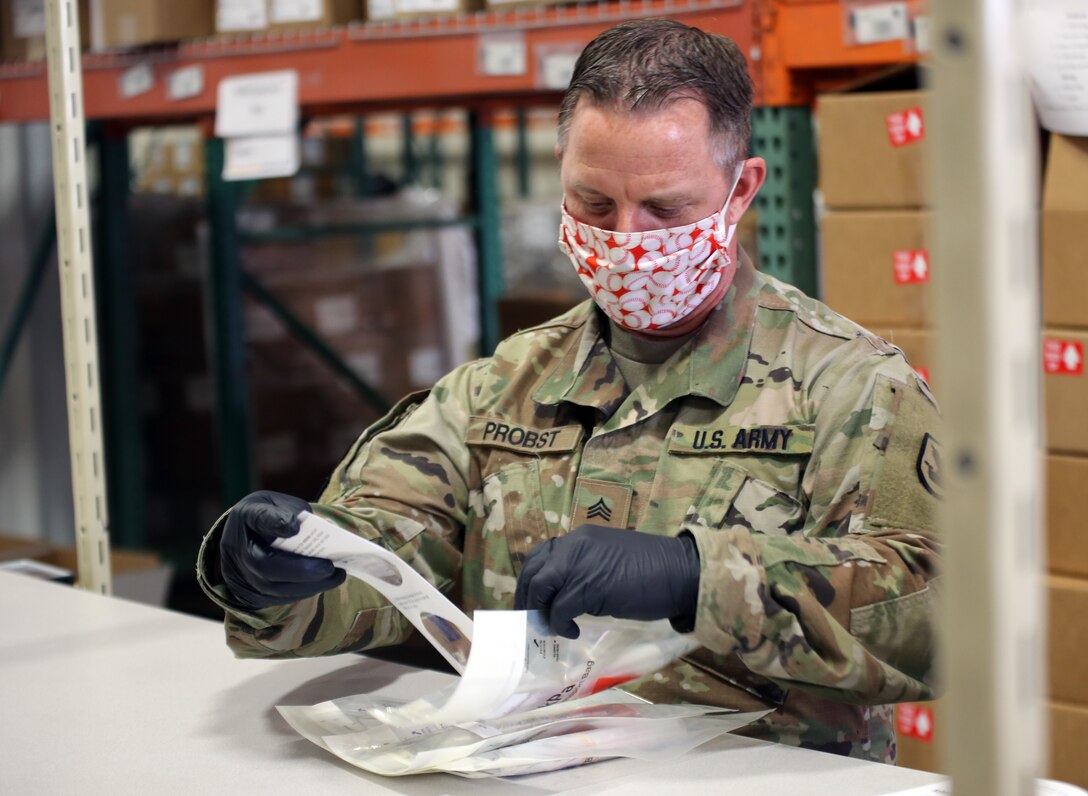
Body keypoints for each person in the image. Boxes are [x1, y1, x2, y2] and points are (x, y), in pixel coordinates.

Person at [197, 18, 942, 764]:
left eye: (665, 210)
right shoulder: (506, 385)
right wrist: (280, 575)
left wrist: (697, 579)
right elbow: (386, 546)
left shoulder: (849, 387)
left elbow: (945, 618)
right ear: (562, 172)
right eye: (593, 204)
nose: (626, 238)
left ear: (741, 188)